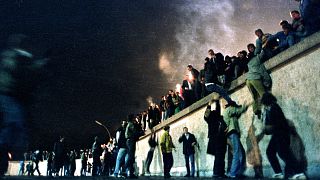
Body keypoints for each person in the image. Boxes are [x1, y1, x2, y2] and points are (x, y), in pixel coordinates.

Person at [0, 34, 48, 176]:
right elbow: (27, 71)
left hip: (8, 95)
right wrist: (41, 64)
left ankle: (6, 150)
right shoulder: (20, 56)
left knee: (13, 127)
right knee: (15, 126)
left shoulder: (6, 55)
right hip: (12, 96)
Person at [261, 93, 306, 179]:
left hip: (281, 134)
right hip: (277, 134)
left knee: (284, 153)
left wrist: (269, 127)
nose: (261, 102)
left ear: (266, 100)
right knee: (270, 152)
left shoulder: (275, 108)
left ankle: (299, 173)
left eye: (262, 100)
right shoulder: (270, 109)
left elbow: (279, 123)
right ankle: (278, 173)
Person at [223, 101, 248, 178]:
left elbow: (237, 113)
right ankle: (233, 173)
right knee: (237, 153)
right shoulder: (229, 109)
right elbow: (238, 111)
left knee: (240, 153)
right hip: (232, 132)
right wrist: (244, 107)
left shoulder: (230, 114)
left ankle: (238, 172)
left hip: (232, 133)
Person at [204, 98, 227, 178]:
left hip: (221, 138)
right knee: (219, 156)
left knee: (221, 156)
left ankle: (220, 172)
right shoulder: (210, 119)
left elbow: (217, 109)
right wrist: (210, 105)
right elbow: (206, 115)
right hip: (215, 138)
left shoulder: (217, 117)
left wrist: (216, 101)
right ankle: (217, 173)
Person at [125, 114, 143, 178]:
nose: (134, 119)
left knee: (131, 156)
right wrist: (141, 133)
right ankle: (125, 169)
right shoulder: (131, 124)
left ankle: (131, 173)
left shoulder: (129, 124)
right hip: (131, 141)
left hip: (129, 141)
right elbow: (135, 132)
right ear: (132, 118)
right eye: (134, 118)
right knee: (131, 157)